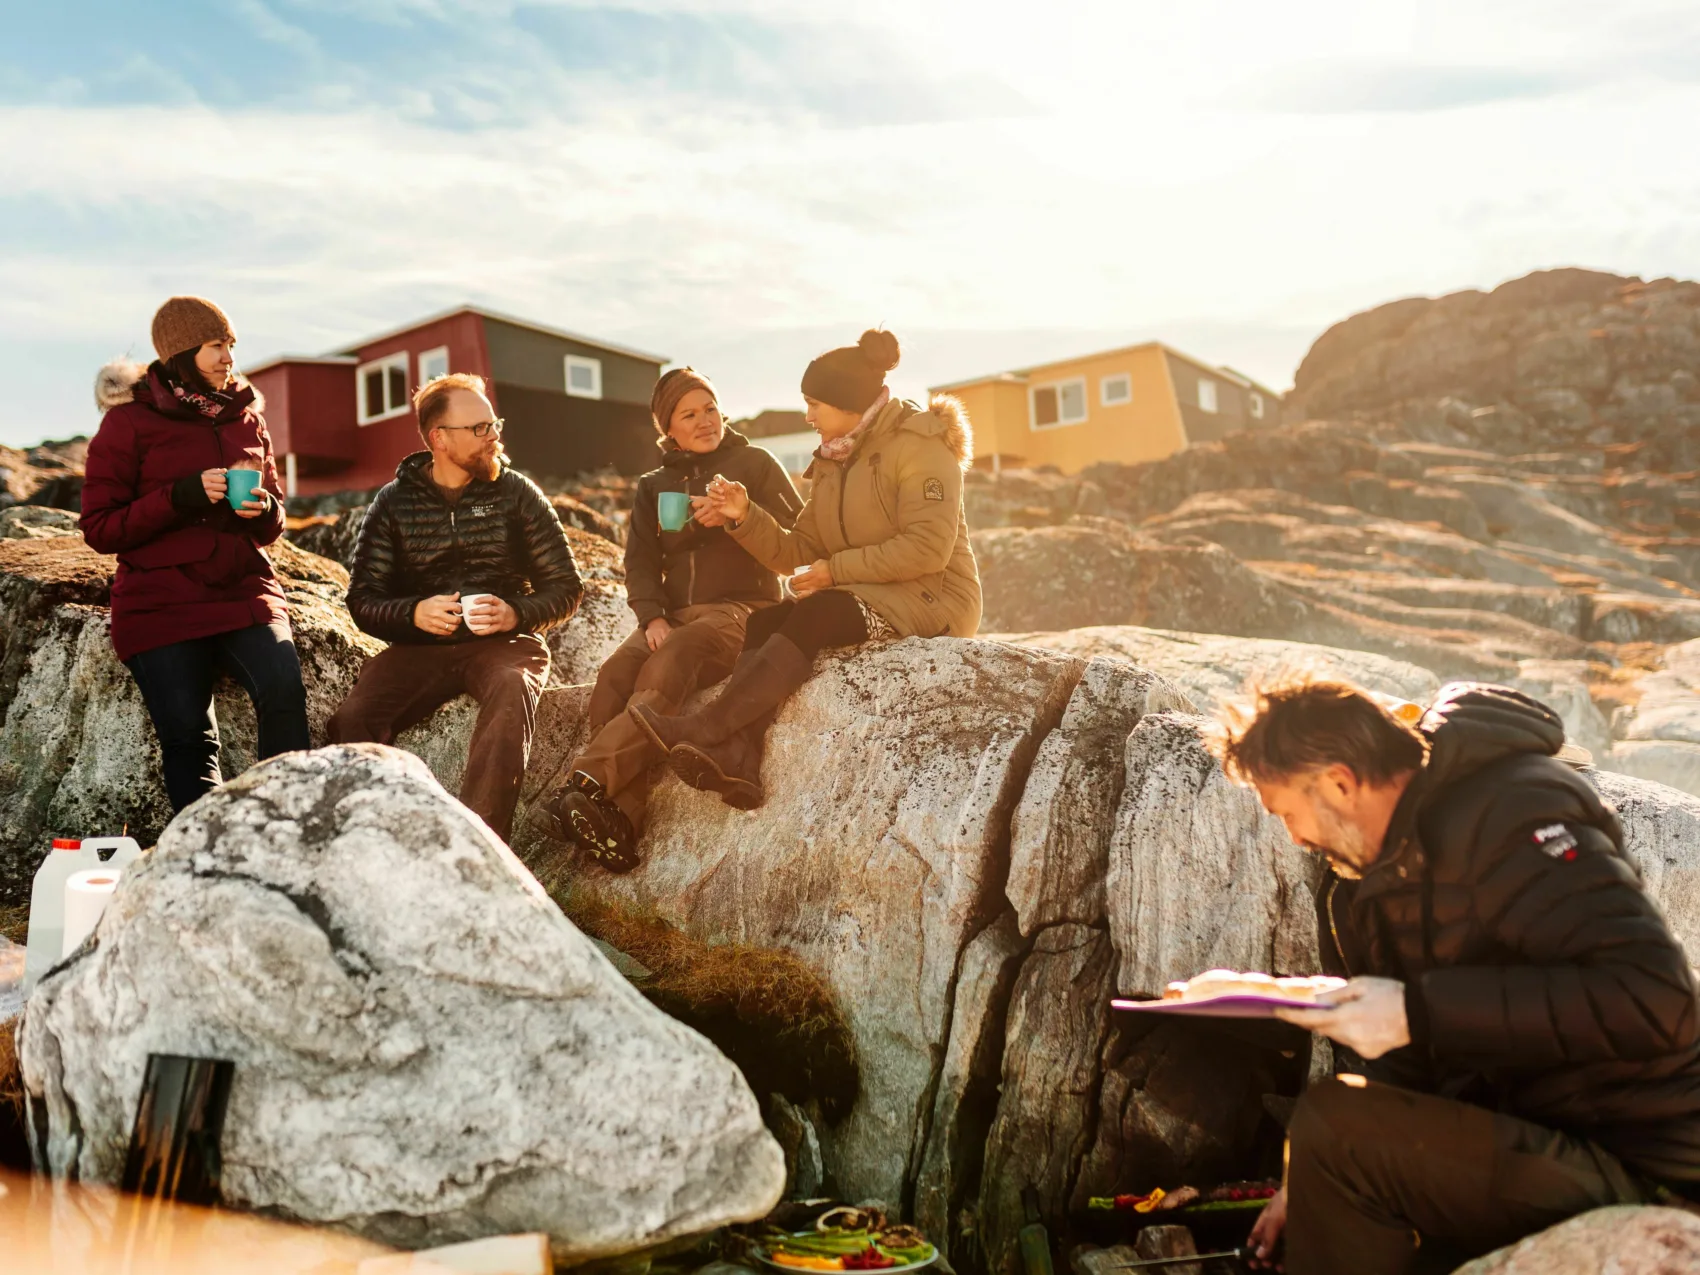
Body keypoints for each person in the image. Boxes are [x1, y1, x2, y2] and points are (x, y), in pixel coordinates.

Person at [1211, 677, 1700, 1275]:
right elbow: (1408, 1066)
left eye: (1287, 812)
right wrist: (1307, 1185)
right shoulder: (1366, 885)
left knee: (1332, 1125)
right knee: (1333, 1136)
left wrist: (1418, 1011)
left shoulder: (1514, 810)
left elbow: (1657, 1000)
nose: (1294, 837)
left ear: (1339, 781)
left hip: (1646, 1156)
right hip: (1530, 1141)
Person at [628, 328, 981, 802]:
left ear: (847, 401)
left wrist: (836, 572)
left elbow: (926, 550)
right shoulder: (836, 458)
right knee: (769, 619)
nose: (808, 415)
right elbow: (800, 548)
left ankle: (710, 726)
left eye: (815, 403)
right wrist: (744, 515)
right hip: (875, 589)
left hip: (936, 597)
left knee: (817, 612)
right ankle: (740, 762)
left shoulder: (921, 446)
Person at [532, 367, 803, 871]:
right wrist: (651, 617)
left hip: (743, 611)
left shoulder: (755, 463)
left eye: (710, 408)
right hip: (672, 616)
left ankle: (584, 783)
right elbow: (638, 560)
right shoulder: (653, 485)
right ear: (668, 429)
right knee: (614, 675)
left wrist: (741, 516)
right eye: (689, 414)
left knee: (672, 660)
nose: (705, 421)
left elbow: (801, 536)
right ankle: (619, 821)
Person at [328, 372, 582, 841]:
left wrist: (516, 613)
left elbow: (566, 586)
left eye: (494, 424)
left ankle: (479, 847)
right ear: (439, 438)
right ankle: (371, 840)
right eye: (480, 429)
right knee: (351, 721)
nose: (494, 437)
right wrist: (413, 614)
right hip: (419, 649)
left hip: (506, 644)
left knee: (511, 691)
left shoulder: (517, 492)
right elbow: (363, 600)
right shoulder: (392, 502)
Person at [82, 296, 311, 812]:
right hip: (160, 601)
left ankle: (288, 830)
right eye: (216, 346)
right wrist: (178, 497)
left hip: (243, 589)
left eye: (231, 345)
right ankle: (208, 860)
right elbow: (100, 528)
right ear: (182, 352)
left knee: (284, 695)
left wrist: (264, 509)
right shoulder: (128, 424)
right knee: (191, 739)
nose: (229, 357)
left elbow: (276, 522)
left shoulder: (246, 419)